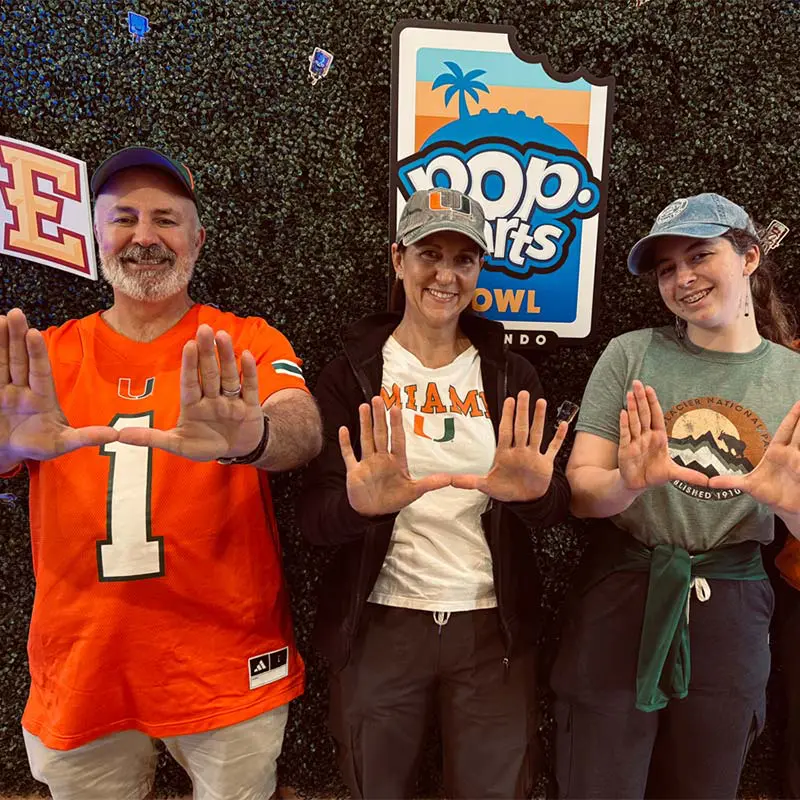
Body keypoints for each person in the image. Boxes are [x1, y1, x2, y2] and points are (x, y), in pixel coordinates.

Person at [0, 146, 322, 800]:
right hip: (82, 669)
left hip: (227, 667)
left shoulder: (244, 342)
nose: (145, 236)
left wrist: (253, 434)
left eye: (166, 219)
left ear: (197, 238)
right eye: (124, 218)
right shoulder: (47, 358)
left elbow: (304, 427)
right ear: (95, 237)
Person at [299, 187, 571, 799]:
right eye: (430, 254)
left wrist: (533, 498)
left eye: (464, 259)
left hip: (491, 629)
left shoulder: (508, 371)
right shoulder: (353, 371)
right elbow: (314, 519)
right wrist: (357, 508)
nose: (446, 275)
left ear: (479, 269)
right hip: (381, 623)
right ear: (399, 259)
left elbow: (554, 508)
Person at [552, 192, 800, 799]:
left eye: (699, 256)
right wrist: (625, 483)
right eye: (666, 268)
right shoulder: (631, 353)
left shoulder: (794, 379)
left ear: (747, 258)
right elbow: (583, 493)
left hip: (734, 605)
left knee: (705, 783)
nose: (682, 278)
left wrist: (789, 505)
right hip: (623, 591)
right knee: (598, 780)